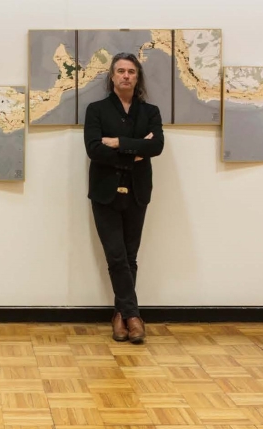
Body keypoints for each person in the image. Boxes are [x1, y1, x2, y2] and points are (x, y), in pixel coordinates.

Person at [83, 52, 164, 344]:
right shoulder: (96, 110)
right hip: (104, 193)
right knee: (116, 254)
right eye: (121, 71)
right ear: (112, 76)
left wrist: (117, 143)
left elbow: (157, 147)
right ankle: (133, 316)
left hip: (138, 191)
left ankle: (120, 315)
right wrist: (135, 151)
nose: (126, 75)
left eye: (131, 71)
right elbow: (94, 149)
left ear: (137, 76)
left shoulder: (150, 112)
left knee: (129, 256)